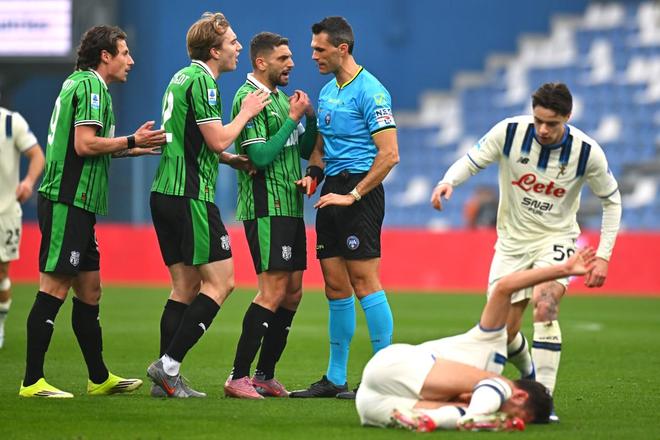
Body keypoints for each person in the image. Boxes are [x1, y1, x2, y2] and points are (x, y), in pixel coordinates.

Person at [431, 83, 621, 421]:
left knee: (545, 305)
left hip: (557, 238)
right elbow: (472, 160)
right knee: (504, 332)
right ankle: (529, 370)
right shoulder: (509, 132)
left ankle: (543, 400)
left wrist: (604, 255)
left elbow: (612, 200)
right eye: (538, 121)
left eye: (552, 123)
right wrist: (448, 181)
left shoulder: (586, 152)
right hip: (511, 243)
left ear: (568, 117)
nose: (543, 129)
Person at [19, 25, 166, 398]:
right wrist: (130, 139)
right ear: (105, 56)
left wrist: (131, 147)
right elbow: (84, 145)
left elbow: (87, 146)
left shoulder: (83, 85)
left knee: (90, 290)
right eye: (125, 53)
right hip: (67, 201)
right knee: (53, 287)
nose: (131, 60)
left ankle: (99, 378)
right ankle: (31, 381)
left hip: (80, 205)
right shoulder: (90, 87)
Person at [146, 12, 269, 398]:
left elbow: (189, 138)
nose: (238, 47)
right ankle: (168, 366)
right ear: (214, 51)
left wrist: (229, 160)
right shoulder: (204, 81)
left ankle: (166, 380)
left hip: (164, 193)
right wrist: (246, 112)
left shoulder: (180, 78)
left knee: (184, 287)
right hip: (191, 196)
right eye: (232, 42)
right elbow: (216, 139)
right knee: (222, 282)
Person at [357, 247, 597, 432]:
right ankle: (474, 419)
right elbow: (504, 287)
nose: (505, 416)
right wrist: (563, 270)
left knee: (459, 409)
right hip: (395, 362)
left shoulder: (479, 394)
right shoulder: (490, 339)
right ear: (520, 397)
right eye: (514, 414)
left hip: (371, 402)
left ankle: (433, 419)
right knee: (496, 384)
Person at [290, 16, 399, 399]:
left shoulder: (372, 91)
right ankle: (336, 378)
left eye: (319, 49)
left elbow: (389, 155)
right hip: (331, 191)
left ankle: (383, 380)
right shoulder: (327, 92)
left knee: (365, 282)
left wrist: (353, 195)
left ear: (342, 48)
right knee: (335, 286)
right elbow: (321, 148)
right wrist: (313, 174)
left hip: (359, 192)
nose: (313, 56)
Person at [223, 32, 316, 399]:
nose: (291, 63)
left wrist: (309, 119)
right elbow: (259, 158)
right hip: (265, 207)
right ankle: (238, 376)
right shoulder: (249, 98)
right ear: (261, 62)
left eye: (290, 57)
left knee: (292, 293)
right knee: (272, 290)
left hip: (290, 206)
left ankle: (264, 375)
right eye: (283, 58)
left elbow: (303, 149)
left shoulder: (278, 98)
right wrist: (292, 119)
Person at [0, 107, 45, 349]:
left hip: (5, 212)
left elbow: (37, 155)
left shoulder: (10, 122)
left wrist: (28, 182)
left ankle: (0, 323)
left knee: (1, 273)